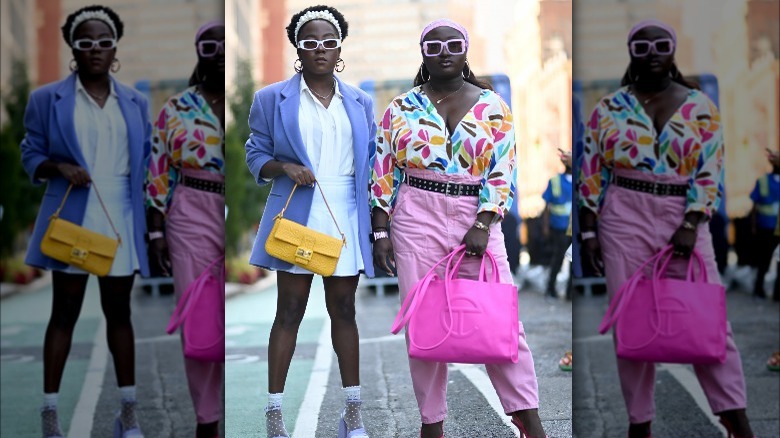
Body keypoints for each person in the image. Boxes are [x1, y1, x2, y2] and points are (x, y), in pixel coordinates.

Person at [578, 19, 755, 438]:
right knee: (632, 322)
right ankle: (640, 422)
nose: (652, 51)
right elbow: (591, 173)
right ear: (631, 53)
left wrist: (693, 221)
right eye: (643, 46)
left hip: (683, 213)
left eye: (661, 44)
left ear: (673, 51)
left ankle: (736, 416)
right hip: (624, 214)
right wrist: (588, 232)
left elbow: (710, 172)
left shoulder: (699, 106)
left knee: (711, 319)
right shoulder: (609, 108)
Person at [370, 18, 547, 438]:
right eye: (435, 46)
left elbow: (502, 171)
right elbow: (383, 170)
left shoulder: (493, 106)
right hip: (416, 215)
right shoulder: (400, 108)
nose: (444, 51)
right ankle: (432, 423)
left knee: (503, 320)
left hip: (476, 215)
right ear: (423, 54)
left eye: (454, 44)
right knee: (424, 323)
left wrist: (485, 221)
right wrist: (381, 230)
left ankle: (527, 414)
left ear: (466, 51)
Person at [244, 5, 375, 438]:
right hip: (299, 211)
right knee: (289, 312)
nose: (319, 49)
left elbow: (372, 162)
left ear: (339, 47)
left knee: (344, 310)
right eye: (310, 42)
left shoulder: (360, 101)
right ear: (298, 48)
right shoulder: (270, 99)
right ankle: (275, 417)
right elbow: (254, 154)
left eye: (328, 42)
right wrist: (282, 167)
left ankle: (353, 416)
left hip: (345, 214)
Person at [19, 5, 150, 437]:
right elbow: (30, 152)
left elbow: (147, 162)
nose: (95, 49)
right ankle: (50, 415)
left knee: (120, 315)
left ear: (115, 48)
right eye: (85, 42)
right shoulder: (46, 99)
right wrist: (57, 167)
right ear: (73, 48)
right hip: (73, 214)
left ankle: (128, 414)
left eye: (103, 42)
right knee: (65, 314)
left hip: (121, 217)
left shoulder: (135, 101)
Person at [145, 20, 225, 438]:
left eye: (225, 44)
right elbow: (158, 169)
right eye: (209, 47)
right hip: (191, 209)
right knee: (198, 316)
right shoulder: (176, 108)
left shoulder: (247, 102)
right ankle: (207, 419)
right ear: (199, 54)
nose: (219, 52)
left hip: (237, 209)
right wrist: (156, 232)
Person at [748, 149, 779, 299]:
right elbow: (754, 207)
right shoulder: (763, 181)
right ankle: (758, 288)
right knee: (764, 259)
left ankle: (777, 292)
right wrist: (753, 226)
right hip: (766, 227)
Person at [541, 154, 573, 298]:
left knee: (574, 260)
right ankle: (551, 288)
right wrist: (545, 226)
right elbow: (546, 206)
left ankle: (570, 292)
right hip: (559, 227)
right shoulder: (555, 181)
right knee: (558, 257)